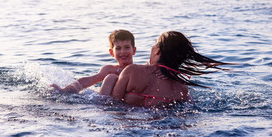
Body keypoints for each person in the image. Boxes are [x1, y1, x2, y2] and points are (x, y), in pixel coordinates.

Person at [100, 31, 230, 107]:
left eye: (154, 44)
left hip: (132, 123)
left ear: (157, 51)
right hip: (166, 124)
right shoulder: (182, 87)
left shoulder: (131, 71)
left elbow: (113, 104)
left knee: (110, 78)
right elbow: (192, 106)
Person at [51, 29, 137, 93]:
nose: (123, 52)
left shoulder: (140, 70)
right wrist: (65, 91)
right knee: (111, 78)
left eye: (127, 47)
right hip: (109, 104)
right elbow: (88, 80)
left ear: (134, 50)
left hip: (131, 104)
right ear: (112, 53)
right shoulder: (111, 70)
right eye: (118, 48)